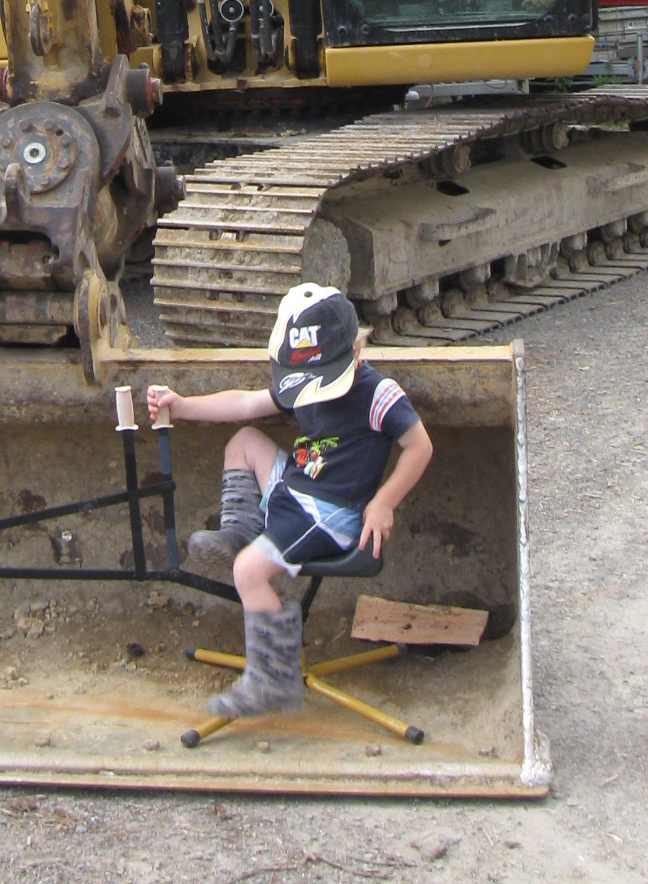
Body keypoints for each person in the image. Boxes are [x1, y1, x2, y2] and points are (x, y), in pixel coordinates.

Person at [146, 282, 433, 722]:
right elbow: (245, 403)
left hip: (332, 514)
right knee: (243, 441)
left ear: (355, 352)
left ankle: (272, 678)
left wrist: (383, 502)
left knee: (247, 571)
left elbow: (420, 446)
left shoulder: (378, 393)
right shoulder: (304, 381)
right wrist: (183, 406)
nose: (311, 396)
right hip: (298, 490)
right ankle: (241, 528)